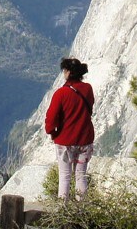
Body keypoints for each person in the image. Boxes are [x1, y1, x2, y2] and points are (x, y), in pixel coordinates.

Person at [44, 57, 95, 201]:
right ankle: (81, 213)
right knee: (81, 176)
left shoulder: (61, 93)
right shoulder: (88, 89)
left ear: (67, 72)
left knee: (65, 176)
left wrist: (53, 133)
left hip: (65, 141)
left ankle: (63, 212)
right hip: (85, 140)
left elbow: (51, 119)